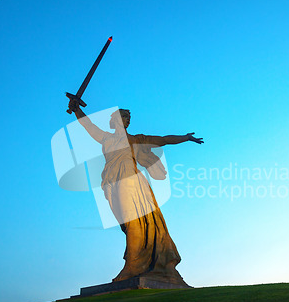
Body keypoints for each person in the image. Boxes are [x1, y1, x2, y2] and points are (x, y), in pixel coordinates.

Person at [69, 100, 203, 284]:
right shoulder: (106, 138)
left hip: (129, 179)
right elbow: (88, 125)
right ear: (115, 120)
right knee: (127, 223)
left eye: (128, 118)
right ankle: (138, 262)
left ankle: (132, 266)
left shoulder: (135, 139)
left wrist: (186, 137)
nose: (128, 120)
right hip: (110, 180)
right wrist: (77, 110)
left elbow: (163, 140)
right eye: (124, 117)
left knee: (132, 220)